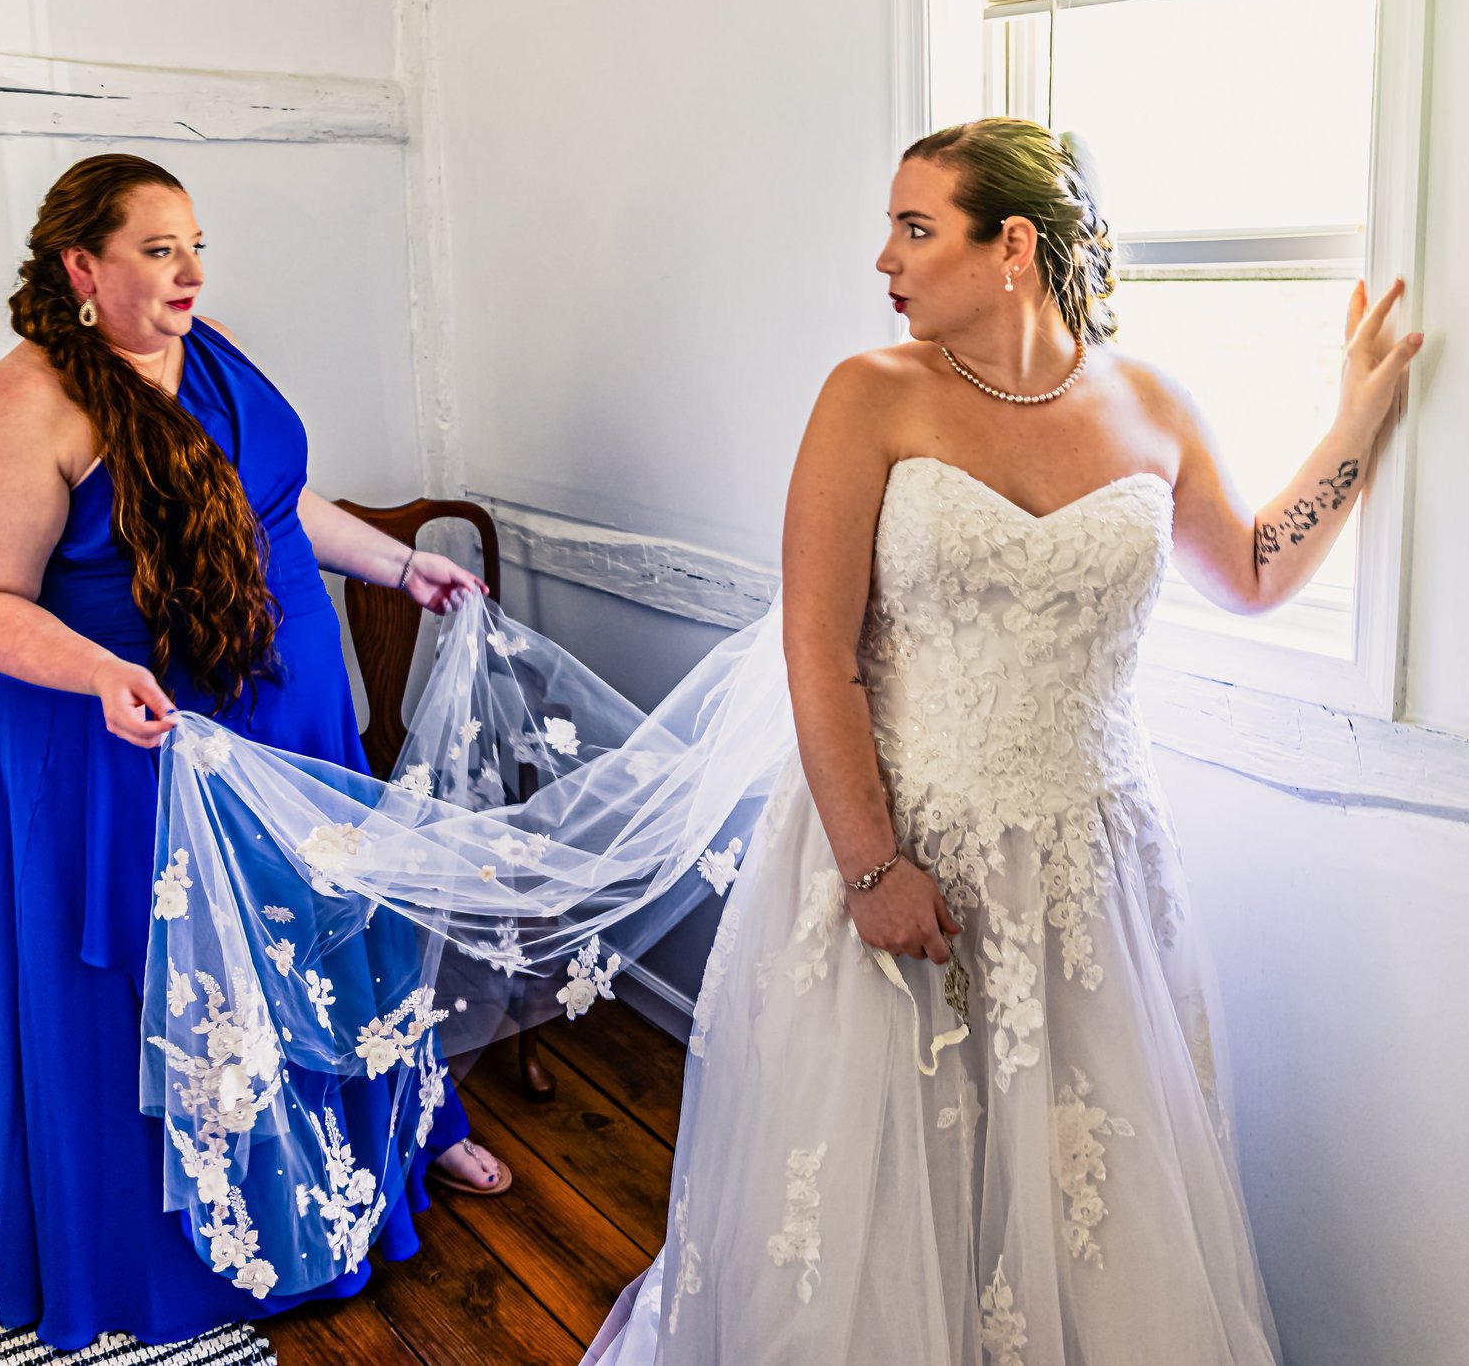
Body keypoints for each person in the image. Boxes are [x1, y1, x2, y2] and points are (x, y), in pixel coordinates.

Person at [583, 118, 1424, 1364]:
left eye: (915, 228)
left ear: (1012, 245)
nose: (886, 257)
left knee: (1085, 1193)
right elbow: (818, 652)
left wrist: (1355, 420)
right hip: (901, 843)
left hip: (1092, 872)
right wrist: (871, 868)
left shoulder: (1150, 402)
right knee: (887, 1197)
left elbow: (1249, 566)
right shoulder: (868, 396)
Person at [0, 153, 507, 1350]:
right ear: (80, 266)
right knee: (177, 980)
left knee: (330, 939)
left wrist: (399, 564)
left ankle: (385, 1152)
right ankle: (182, 1252)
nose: (190, 269)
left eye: (194, 242)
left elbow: (278, 505)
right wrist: (97, 671)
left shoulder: (215, 348)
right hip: (134, 739)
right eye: (157, 248)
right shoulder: (21, 402)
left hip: (289, 720)